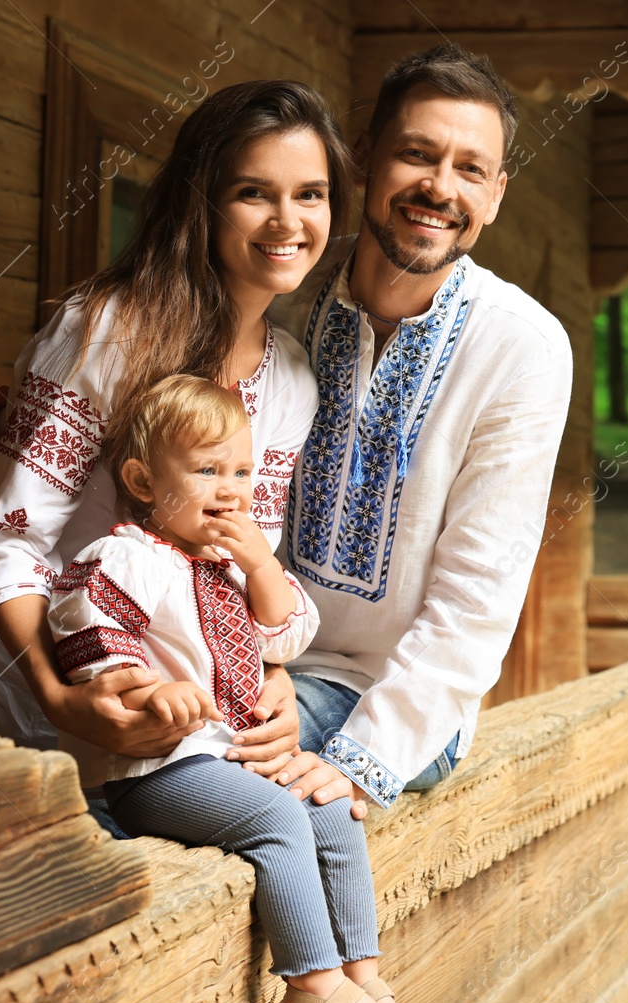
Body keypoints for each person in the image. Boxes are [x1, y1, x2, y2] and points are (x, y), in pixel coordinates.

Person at [227, 44, 574, 814]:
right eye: (417, 154)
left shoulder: (523, 346)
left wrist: (365, 756)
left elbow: (478, 595)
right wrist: (251, 661)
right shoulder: (284, 300)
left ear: (496, 195)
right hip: (252, 660)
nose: (439, 187)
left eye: (470, 169)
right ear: (363, 162)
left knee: (201, 769)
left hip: (398, 701)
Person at [0, 81, 345, 798]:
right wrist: (62, 698)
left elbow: (234, 560)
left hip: (196, 736)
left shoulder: (294, 378)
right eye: (253, 192)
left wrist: (272, 678)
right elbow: (9, 542)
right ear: (201, 200)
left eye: (311, 194)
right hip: (55, 720)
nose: (287, 220)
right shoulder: (106, 331)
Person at [51, 375, 426, 1003]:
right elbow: (83, 621)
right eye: (206, 470)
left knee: (330, 808)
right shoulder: (129, 556)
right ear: (142, 479)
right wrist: (138, 686)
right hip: (157, 769)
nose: (231, 489)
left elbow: (286, 640)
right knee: (278, 818)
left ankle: (361, 971)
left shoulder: (226, 568)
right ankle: (311, 987)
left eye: (242, 471)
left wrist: (259, 564)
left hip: (223, 759)